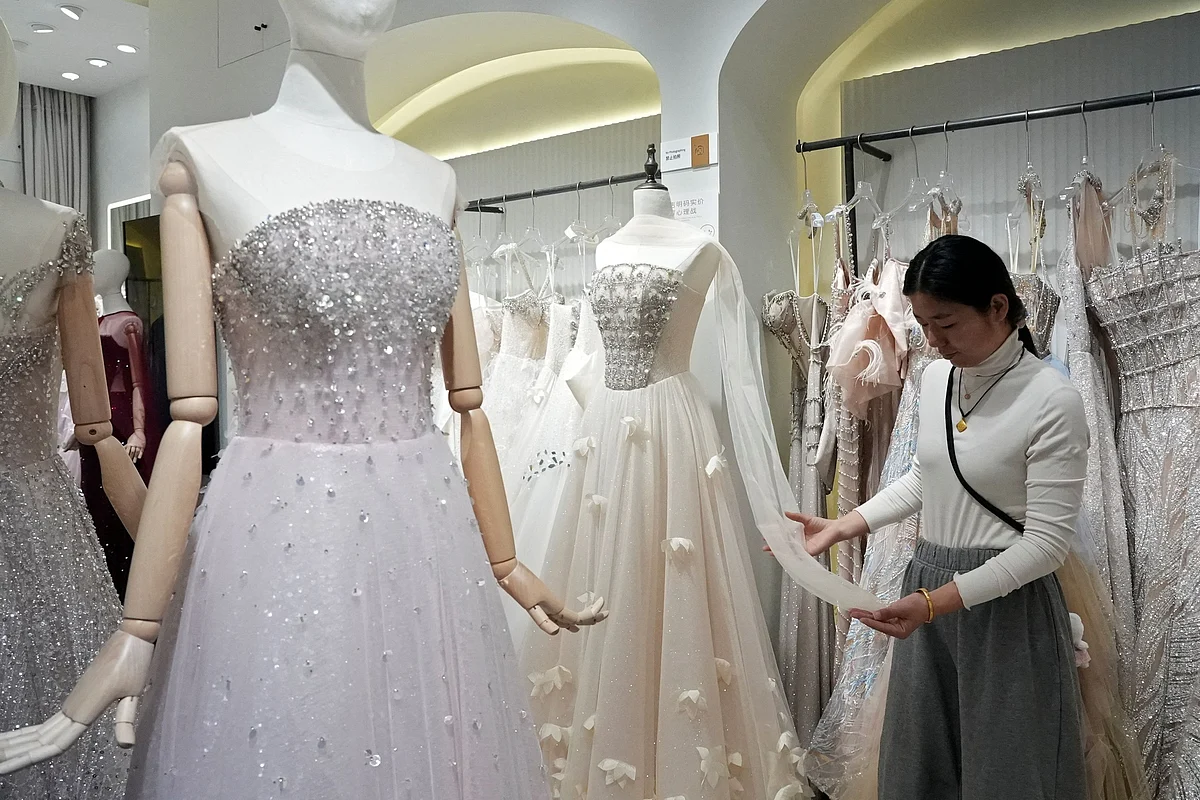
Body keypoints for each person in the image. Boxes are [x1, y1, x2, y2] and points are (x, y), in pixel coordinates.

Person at [794, 234, 1089, 800]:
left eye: (946, 323)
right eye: (924, 325)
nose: (933, 340)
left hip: (1006, 605)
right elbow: (926, 476)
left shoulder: (1052, 399)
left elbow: (1046, 547)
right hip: (928, 584)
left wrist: (934, 603)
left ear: (998, 307)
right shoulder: (935, 379)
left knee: (1007, 772)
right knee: (920, 764)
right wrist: (843, 525)